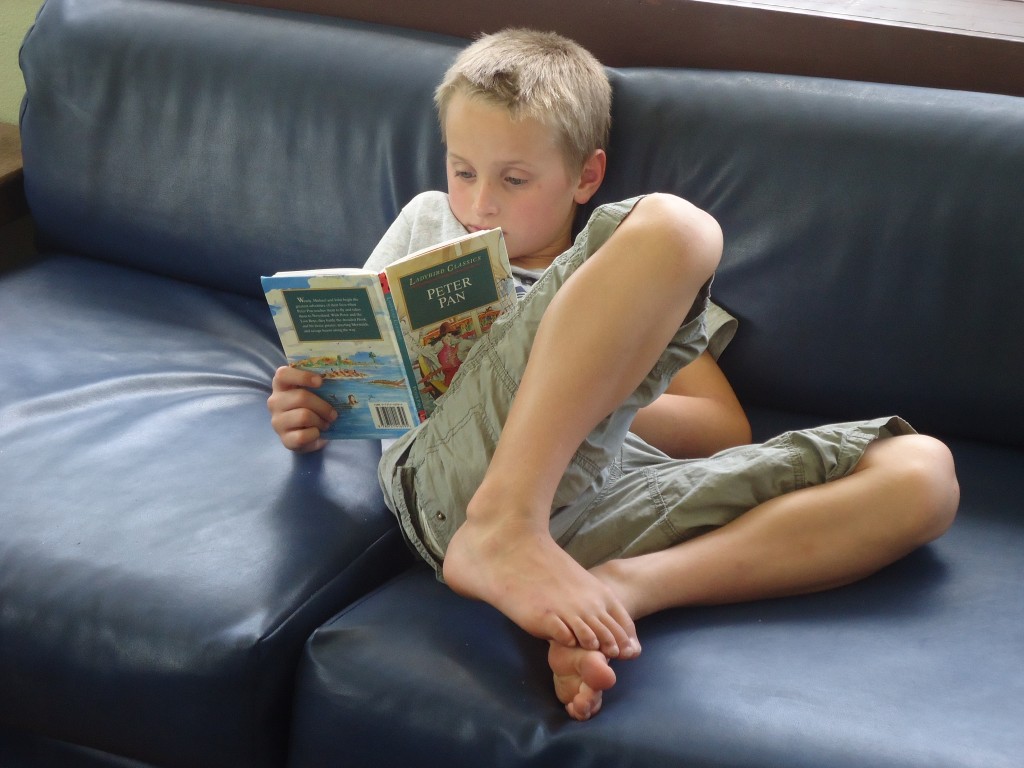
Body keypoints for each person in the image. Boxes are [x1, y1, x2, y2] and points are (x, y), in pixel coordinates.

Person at [267, 29, 959, 722]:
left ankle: (617, 594)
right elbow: (367, 357)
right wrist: (311, 404)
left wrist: (587, 390)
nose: (479, 204)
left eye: (514, 179)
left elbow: (723, 429)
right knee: (681, 228)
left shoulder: (631, 271)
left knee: (923, 473)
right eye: (462, 170)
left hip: (606, 497)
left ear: (586, 178)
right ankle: (505, 525)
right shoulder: (429, 223)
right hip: (461, 487)